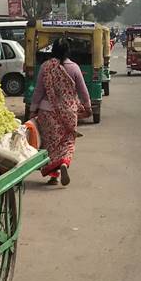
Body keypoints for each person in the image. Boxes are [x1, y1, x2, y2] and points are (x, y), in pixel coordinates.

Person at [30, 38, 92, 186]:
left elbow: (38, 91)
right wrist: (88, 108)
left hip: (47, 113)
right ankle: (64, 163)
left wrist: (33, 110)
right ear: (68, 51)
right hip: (69, 113)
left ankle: (54, 176)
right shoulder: (75, 68)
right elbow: (83, 91)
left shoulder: (46, 67)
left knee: (51, 145)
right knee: (67, 141)